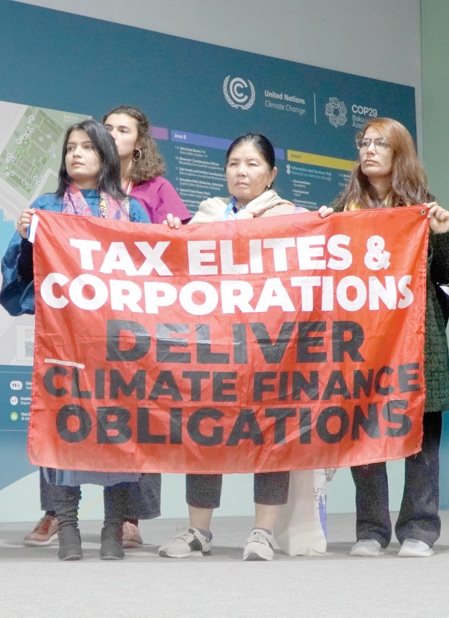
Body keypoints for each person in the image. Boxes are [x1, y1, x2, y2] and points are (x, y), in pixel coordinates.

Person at [0, 119, 150, 560]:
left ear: (105, 154)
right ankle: (66, 526)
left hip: (119, 345)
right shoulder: (46, 205)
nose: (77, 154)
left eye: (87, 147)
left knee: (119, 436)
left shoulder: (132, 210)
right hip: (64, 343)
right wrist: (28, 238)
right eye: (70, 148)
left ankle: (112, 530)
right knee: (63, 429)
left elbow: (155, 275)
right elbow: (24, 274)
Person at [159, 133, 308, 561]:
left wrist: (326, 224)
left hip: (268, 344)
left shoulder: (291, 217)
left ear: (272, 173)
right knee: (206, 428)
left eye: (253, 164)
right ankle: (198, 531)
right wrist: (173, 234)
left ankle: (263, 532)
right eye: (233, 164)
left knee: (270, 431)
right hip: (215, 344)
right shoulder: (206, 213)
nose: (242, 172)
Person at [317, 118, 449, 558]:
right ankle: (371, 531)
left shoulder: (423, 208)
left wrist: (443, 235)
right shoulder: (341, 211)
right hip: (362, 343)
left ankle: (419, 529)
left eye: (381, 143)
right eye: (364, 143)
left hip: (418, 343)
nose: (370, 150)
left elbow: (447, 273)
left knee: (422, 441)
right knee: (363, 437)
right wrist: (320, 231)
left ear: (400, 153)